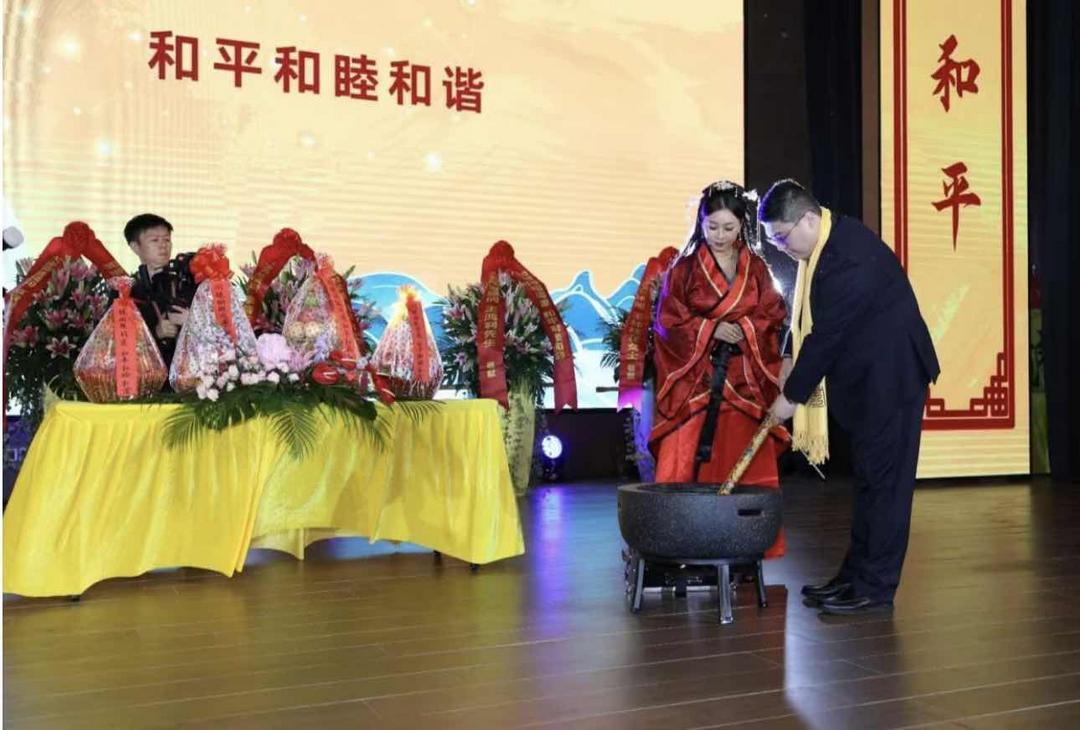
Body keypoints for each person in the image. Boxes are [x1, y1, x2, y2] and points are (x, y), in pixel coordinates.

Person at [761, 179, 940, 616]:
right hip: (869, 380)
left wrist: (790, 398)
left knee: (886, 486)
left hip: (892, 379)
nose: (782, 248)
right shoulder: (825, 244)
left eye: (782, 237)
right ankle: (853, 577)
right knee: (869, 482)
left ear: (807, 219)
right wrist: (787, 354)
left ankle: (875, 587)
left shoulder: (847, 256)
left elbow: (826, 336)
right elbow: (806, 311)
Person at [650, 181, 790, 559]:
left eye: (729, 227)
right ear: (701, 223)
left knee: (747, 462)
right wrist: (710, 329)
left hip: (744, 379)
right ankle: (676, 545)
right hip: (695, 382)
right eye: (712, 227)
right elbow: (668, 323)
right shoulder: (683, 270)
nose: (720, 236)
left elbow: (772, 315)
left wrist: (742, 328)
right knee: (684, 458)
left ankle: (748, 545)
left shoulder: (756, 268)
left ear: (742, 225)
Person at [123, 213, 197, 367]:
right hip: (148, 374)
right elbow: (116, 342)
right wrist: (155, 333)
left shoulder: (188, 282)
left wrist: (193, 321)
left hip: (189, 373)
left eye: (167, 239)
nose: (163, 245)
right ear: (135, 247)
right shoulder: (125, 291)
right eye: (155, 240)